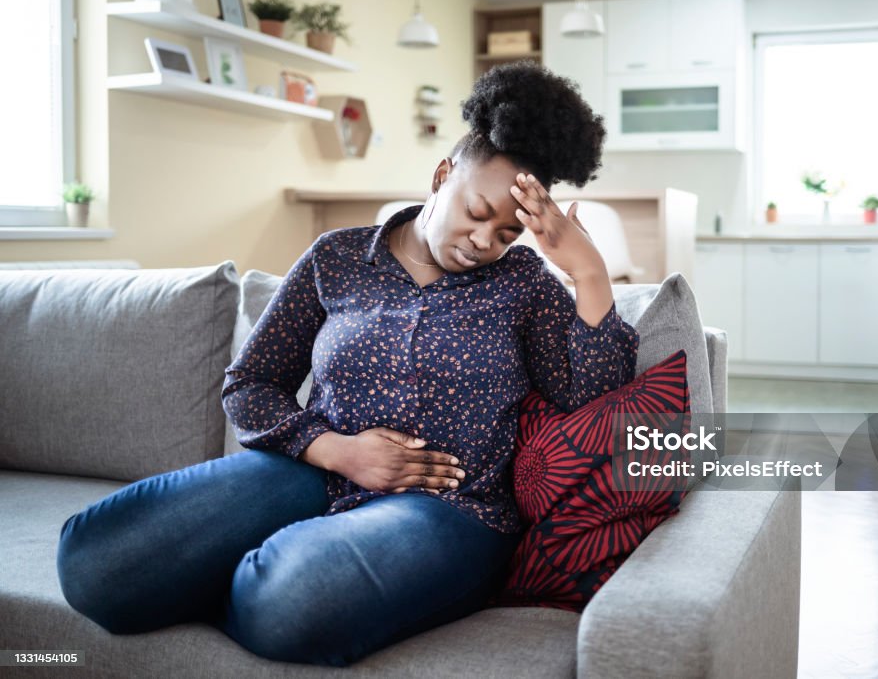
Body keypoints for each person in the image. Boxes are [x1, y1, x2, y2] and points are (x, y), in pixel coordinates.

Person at [55, 61, 640, 668]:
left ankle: (245, 585)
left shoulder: (523, 284)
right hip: (310, 474)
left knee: (288, 601)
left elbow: (594, 401)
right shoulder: (335, 257)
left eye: (506, 233)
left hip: (449, 510)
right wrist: (336, 450)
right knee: (95, 562)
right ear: (442, 175)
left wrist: (588, 273)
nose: (483, 240)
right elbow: (250, 384)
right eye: (477, 210)